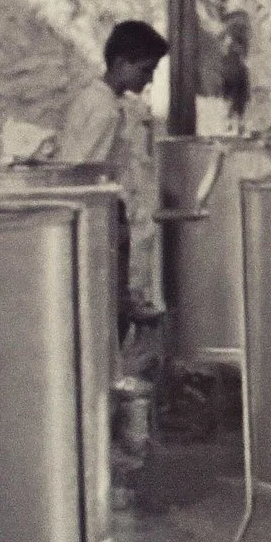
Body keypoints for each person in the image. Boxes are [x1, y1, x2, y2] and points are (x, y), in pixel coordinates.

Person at [58, 19, 170, 342]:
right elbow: (85, 172)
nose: (149, 80)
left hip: (94, 213)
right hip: (98, 215)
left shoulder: (92, 99)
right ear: (121, 64)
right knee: (110, 313)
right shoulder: (105, 111)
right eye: (145, 70)